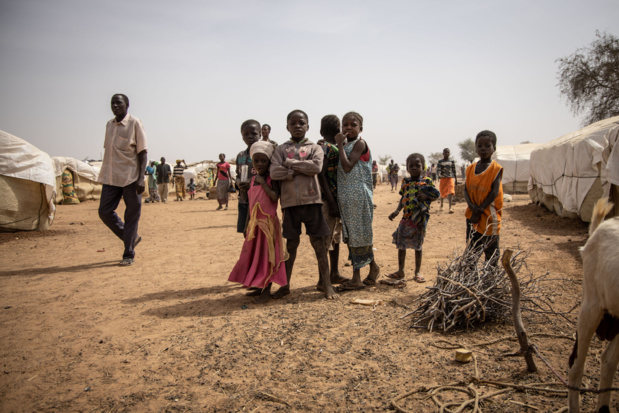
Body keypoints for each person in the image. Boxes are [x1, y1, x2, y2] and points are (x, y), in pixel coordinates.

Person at [270, 109, 337, 300]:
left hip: (312, 202)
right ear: (287, 127)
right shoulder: (280, 149)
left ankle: (327, 285)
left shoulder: (314, 148)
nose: (297, 126)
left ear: (308, 126)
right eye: (293, 123)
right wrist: (297, 169)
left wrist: (289, 164)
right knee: (291, 246)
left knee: (319, 245)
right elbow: (274, 172)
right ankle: (285, 285)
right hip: (290, 204)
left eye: (301, 123)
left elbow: (316, 167)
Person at [228, 141, 288, 302]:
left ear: (269, 161)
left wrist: (263, 183)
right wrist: (247, 224)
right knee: (256, 256)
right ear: (252, 162)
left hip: (268, 225)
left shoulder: (270, 178)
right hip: (255, 225)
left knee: (268, 257)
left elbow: (275, 197)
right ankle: (259, 286)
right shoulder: (253, 179)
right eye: (257, 161)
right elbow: (250, 204)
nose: (260, 164)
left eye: (264, 160)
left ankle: (267, 291)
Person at [97, 93, 147, 266]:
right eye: (112, 103)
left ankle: (128, 253)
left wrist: (141, 178)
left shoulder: (134, 123)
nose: (115, 106)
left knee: (131, 215)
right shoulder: (109, 125)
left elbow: (142, 152)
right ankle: (132, 237)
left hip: (130, 177)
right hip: (111, 176)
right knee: (104, 211)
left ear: (127, 104)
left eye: (119, 103)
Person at [334, 111, 380, 290]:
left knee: (358, 235)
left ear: (361, 128)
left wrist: (338, 144)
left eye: (353, 125)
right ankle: (373, 268)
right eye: (345, 125)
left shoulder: (360, 144)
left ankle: (356, 278)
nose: (348, 128)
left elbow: (347, 167)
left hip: (359, 196)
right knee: (355, 235)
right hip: (347, 198)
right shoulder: (346, 145)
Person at [387, 153, 439, 283]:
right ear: (408, 168)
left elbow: (435, 195)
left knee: (418, 245)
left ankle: (417, 272)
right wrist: (397, 211)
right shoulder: (405, 182)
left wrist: (426, 197)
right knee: (401, 245)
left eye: (418, 165)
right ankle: (401, 270)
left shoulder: (427, 181)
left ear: (423, 166)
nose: (415, 167)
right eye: (412, 166)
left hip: (419, 219)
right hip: (406, 218)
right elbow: (402, 197)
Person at [317, 115, 349, 289]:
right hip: (327, 200)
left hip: (334, 199)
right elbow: (321, 175)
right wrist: (331, 201)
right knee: (326, 240)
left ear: (321, 131)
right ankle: (323, 280)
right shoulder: (325, 148)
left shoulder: (333, 147)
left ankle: (334, 273)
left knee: (335, 238)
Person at [464, 130, 503, 265]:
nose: (483, 149)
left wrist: (479, 210)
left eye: (487, 145)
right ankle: (470, 278)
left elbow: (494, 192)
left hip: (489, 215)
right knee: (472, 248)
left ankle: (490, 280)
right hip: (472, 214)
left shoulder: (495, 169)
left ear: (494, 148)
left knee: (491, 250)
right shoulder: (470, 169)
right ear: (475, 148)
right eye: (480, 145)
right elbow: (466, 189)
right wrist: (472, 207)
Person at [236, 120, 260, 233]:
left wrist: (250, 182)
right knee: (246, 231)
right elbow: (237, 174)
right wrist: (238, 183)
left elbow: (268, 174)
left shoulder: (264, 153)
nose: (250, 137)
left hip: (259, 199)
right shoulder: (240, 155)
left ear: (260, 134)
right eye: (246, 134)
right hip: (244, 199)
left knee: (259, 231)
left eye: (254, 133)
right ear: (242, 136)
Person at [438, 148, 458, 213]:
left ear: (449, 153)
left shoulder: (451, 162)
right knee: (442, 191)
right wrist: (439, 175)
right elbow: (438, 169)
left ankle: (450, 207)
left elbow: (454, 170)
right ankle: (441, 205)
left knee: (450, 191)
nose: (446, 154)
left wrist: (456, 179)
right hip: (443, 179)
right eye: (445, 152)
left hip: (450, 178)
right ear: (443, 153)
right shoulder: (440, 162)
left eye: (448, 152)